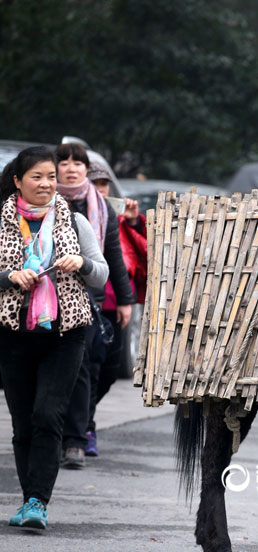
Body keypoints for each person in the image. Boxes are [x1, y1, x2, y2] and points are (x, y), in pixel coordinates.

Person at [0, 146, 108, 529]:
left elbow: (102, 273)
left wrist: (82, 263)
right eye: (37, 177)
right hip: (13, 334)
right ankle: (29, 498)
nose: (46, 184)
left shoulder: (75, 222)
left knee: (48, 414)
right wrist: (9, 276)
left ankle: (36, 502)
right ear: (18, 181)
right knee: (23, 422)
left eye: (51, 177)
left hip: (67, 333)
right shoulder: (1, 222)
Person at [55, 143, 134, 467]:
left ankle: (77, 438)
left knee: (86, 368)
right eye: (64, 162)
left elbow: (113, 256)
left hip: (89, 299)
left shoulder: (100, 207)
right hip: (42, 298)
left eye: (78, 162)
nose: (71, 168)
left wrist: (126, 300)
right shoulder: (41, 204)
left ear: (87, 169)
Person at [86, 163, 147, 455]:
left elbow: (149, 258)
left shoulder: (120, 223)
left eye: (104, 185)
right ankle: (84, 428)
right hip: (87, 305)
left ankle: (78, 418)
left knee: (110, 370)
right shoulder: (74, 218)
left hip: (117, 307)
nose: (100, 191)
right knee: (89, 369)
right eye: (93, 184)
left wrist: (134, 224)